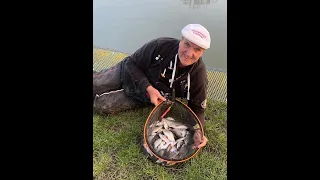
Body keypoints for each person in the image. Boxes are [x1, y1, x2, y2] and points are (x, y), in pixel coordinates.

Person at [93, 24, 210, 149]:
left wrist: (199, 131)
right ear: (181, 40)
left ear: (202, 52)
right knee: (96, 84)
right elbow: (132, 63)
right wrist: (148, 87)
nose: (189, 53)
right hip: (128, 71)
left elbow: (198, 109)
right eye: (187, 44)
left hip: (145, 96)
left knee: (102, 106)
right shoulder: (160, 45)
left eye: (197, 49)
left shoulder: (198, 76)